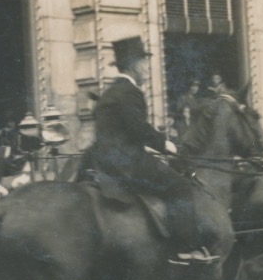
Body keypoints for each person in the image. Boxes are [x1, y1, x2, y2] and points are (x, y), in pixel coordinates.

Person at [83, 36, 217, 264]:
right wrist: (166, 145)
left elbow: (120, 131)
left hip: (104, 161)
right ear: (134, 65)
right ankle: (185, 249)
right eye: (144, 62)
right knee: (180, 187)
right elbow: (139, 129)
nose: (146, 68)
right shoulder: (130, 92)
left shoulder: (110, 91)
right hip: (127, 163)